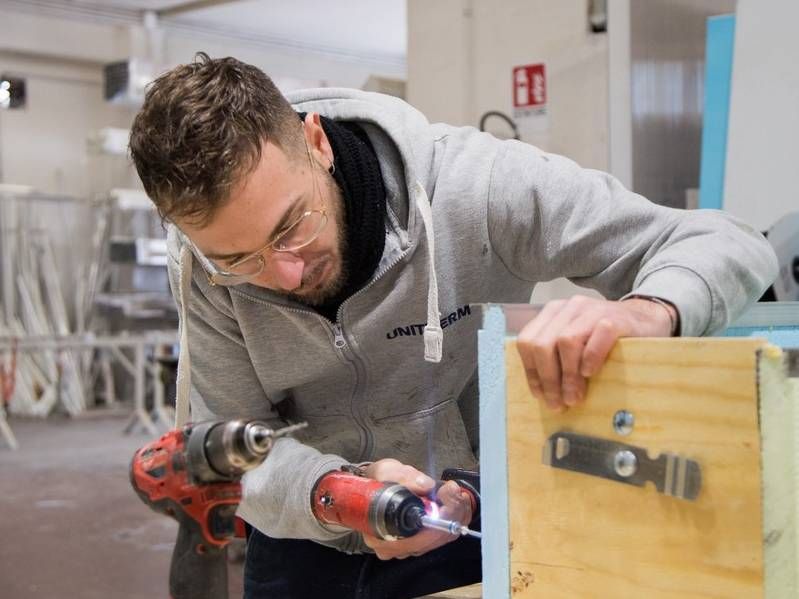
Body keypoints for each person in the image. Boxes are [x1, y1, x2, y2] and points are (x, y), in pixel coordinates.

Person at [128, 53, 777, 598]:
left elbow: (731, 243)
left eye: (292, 224)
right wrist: (336, 494)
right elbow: (230, 445)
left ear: (317, 142)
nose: (286, 273)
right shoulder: (206, 270)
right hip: (299, 539)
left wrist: (644, 311)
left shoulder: (477, 188)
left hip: (462, 531)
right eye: (241, 259)